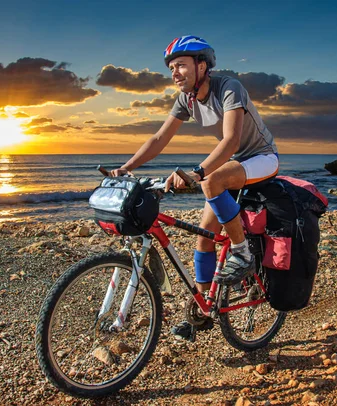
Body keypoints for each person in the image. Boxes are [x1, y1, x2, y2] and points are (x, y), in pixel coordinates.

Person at [110, 35, 279, 339]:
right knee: (204, 240)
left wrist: (197, 172)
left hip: (260, 157)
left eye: (181, 65)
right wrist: (128, 167)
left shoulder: (229, 87)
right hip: (232, 163)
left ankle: (242, 253)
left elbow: (232, 141)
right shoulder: (186, 99)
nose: (175, 73)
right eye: (172, 68)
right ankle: (202, 313)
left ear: (202, 65)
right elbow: (159, 139)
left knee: (212, 181)